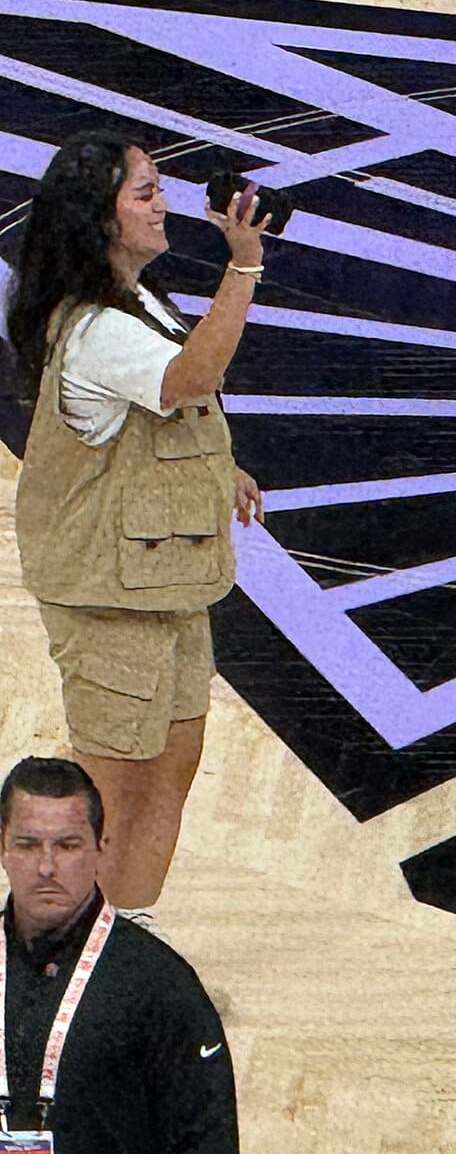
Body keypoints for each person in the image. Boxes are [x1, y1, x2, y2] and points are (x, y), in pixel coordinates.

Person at [4, 132, 272, 911]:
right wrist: (244, 265)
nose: (165, 205)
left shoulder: (138, 301)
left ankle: (127, 931)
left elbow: (158, 419)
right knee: (111, 794)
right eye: (146, 193)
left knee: (171, 771)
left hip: (164, 580)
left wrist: (218, 467)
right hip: (108, 594)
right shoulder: (95, 327)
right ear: (101, 218)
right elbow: (190, 377)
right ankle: (64, 954)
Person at [0, 757, 237, 1153]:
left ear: (100, 848)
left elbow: (207, 1141)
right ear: (2, 847)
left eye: (67, 846)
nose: (46, 866)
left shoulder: (161, 986)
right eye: (28, 845)